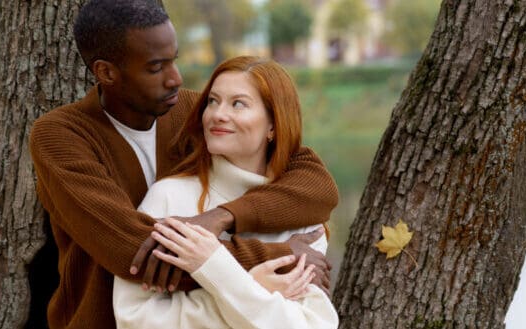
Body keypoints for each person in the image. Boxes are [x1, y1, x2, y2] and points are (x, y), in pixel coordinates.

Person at [28, 1, 339, 328]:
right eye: (155, 67)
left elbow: (314, 183)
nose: (175, 79)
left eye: (173, 61)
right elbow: (137, 253)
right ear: (106, 72)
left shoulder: (194, 114)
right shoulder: (61, 136)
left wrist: (220, 217)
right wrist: (281, 257)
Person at [113, 56, 339, 329]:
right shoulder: (169, 196)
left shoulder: (301, 211)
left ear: (273, 126)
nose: (218, 114)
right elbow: (134, 318)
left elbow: (312, 325)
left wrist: (215, 266)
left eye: (238, 104)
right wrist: (252, 288)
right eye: (213, 101)